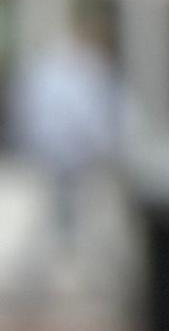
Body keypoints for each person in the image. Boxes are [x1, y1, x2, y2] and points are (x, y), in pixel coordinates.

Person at [8, 21, 122, 308]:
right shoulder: (75, 71)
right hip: (66, 152)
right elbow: (87, 115)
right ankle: (56, 268)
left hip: (59, 151)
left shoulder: (51, 69)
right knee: (65, 212)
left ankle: (56, 267)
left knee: (65, 212)